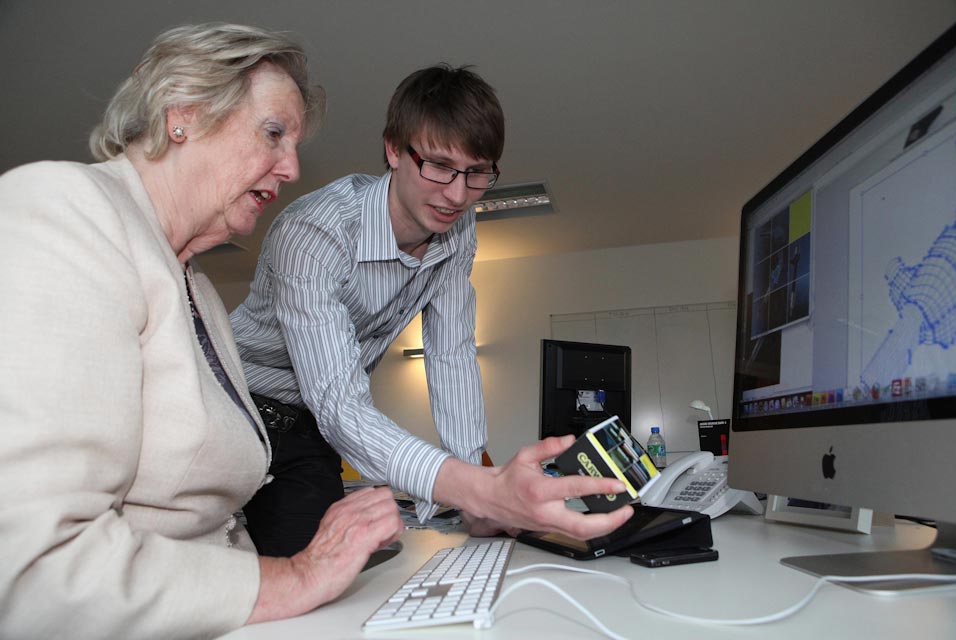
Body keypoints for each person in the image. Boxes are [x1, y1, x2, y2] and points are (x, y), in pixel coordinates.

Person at [0, 23, 404, 640]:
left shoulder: (204, 294)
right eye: (274, 133)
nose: (293, 167)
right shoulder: (63, 207)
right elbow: (39, 567)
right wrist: (297, 576)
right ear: (181, 115)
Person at [232, 64, 633, 557]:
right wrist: (474, 487)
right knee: (290, 569)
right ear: (394, 150)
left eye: (477, 172)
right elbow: (338, 401)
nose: (458, 195)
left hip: (311, 427)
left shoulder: (459, 231)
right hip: (234, 406)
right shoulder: (315, 233)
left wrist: (479, 498)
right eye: (440, 167)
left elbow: (451, 354)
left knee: (333, 563)